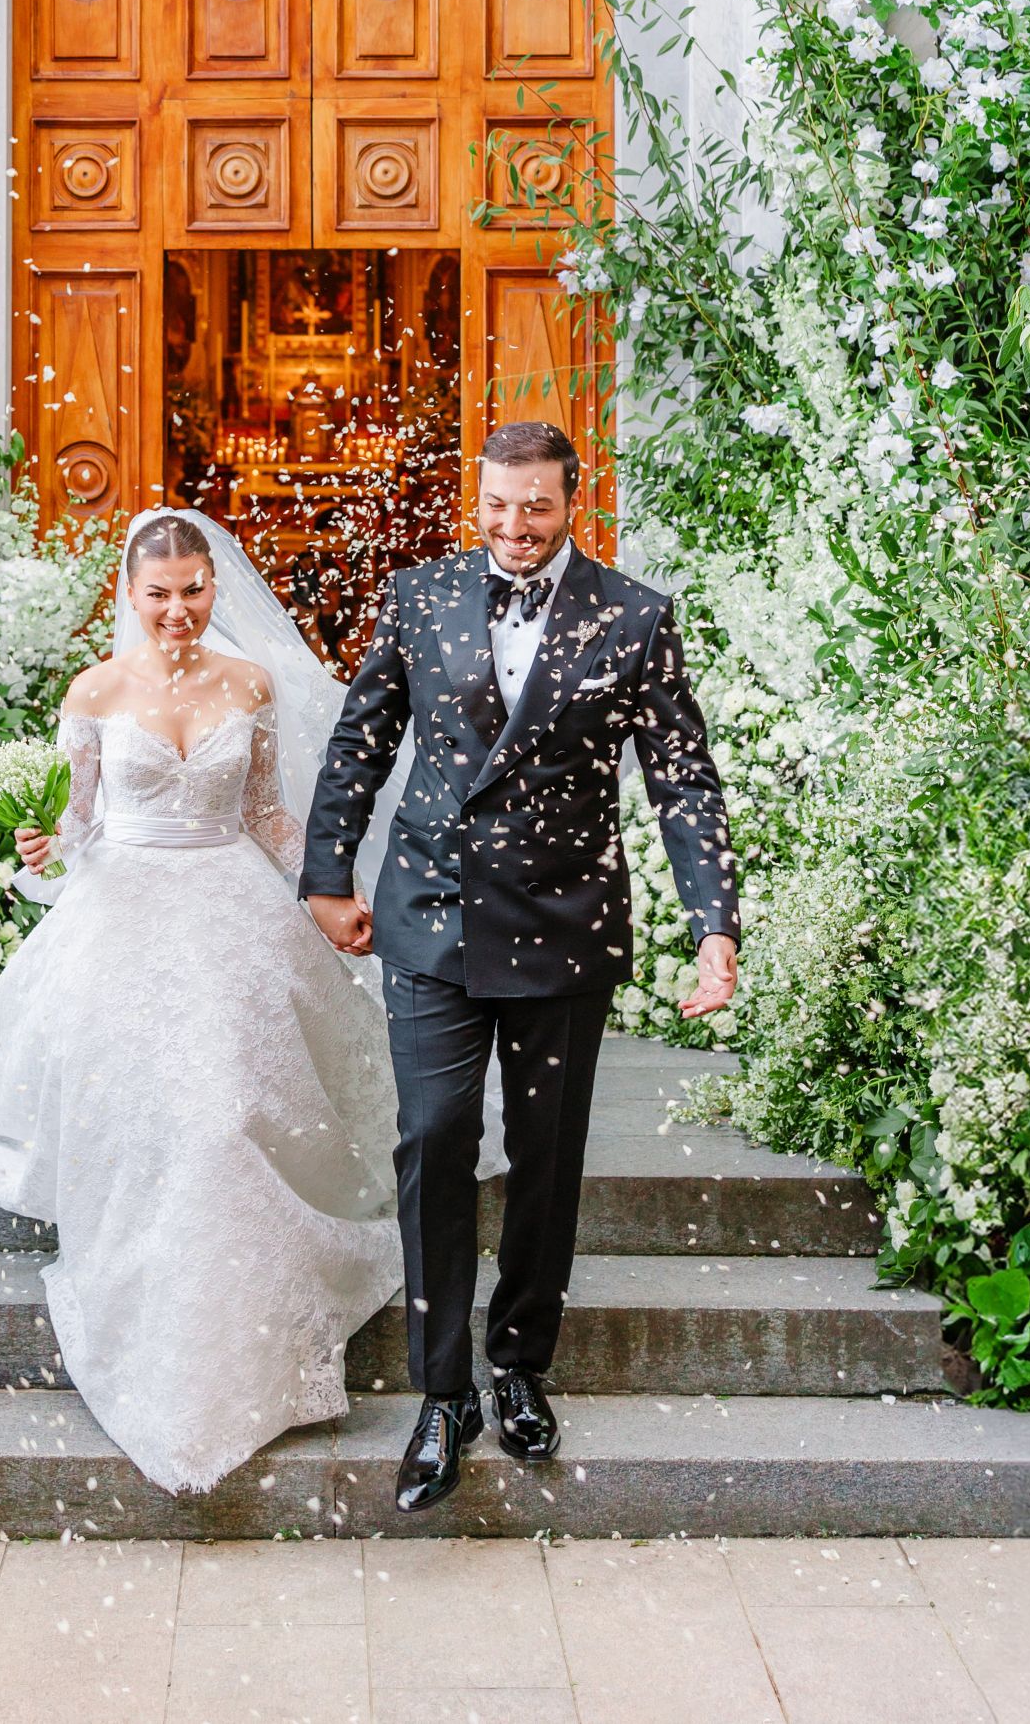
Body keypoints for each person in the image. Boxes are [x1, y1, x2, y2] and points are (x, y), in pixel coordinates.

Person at [300, 418, 741, 1513]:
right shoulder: (422, 594)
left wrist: (714, 922)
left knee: (545, 1155)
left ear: (571, 500)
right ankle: (441, 1389)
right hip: (433, 915)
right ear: (480, 496)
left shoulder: (635, 616)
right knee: (435, 1135)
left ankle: (521, 1361)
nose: (512, 526)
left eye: (534, 506)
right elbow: (361, 737)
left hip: (562, 922)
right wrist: (326, 872)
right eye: (497, 505)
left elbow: (682, 778)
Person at [0, 510, 404, 1494]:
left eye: (194, 590)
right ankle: (166, 1331)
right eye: (159, 594)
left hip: (230, 905)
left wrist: (328, 887)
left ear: (211, 589)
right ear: (128, 598)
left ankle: (251, 1341)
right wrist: (48, 842)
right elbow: (80, 815)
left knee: (225, 1115)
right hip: (126, 907)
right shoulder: (94, 690)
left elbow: (266, 808)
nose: (178, 610)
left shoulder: (250, 684)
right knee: (160, 1114)